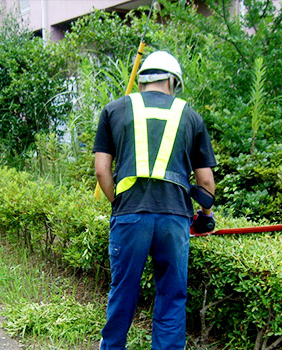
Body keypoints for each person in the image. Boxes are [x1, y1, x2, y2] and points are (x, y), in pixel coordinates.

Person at [93, 50, 217, 350]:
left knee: (123, 292)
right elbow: (206, 182)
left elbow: (101, 170)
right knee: (171, 296)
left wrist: (118, 203)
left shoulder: (114, 110)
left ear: (142, 80)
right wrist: (205, 215)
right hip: (174, 218)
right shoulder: (191, 116)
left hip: (129, 215)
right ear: (172, 81)